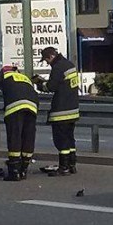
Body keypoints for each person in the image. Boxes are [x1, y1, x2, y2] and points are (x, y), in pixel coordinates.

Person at [32, 46, 80, 176]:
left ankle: (63, 168)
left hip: (61, 111)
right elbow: (63, 85)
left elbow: (51, 87)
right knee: (70, 139)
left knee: (61, 141)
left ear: (51, 56)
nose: (47, 63)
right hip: (73, 109)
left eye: (46, 60)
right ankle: (72, 165)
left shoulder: (58, 67)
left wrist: (40, 84)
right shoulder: (69, 65)